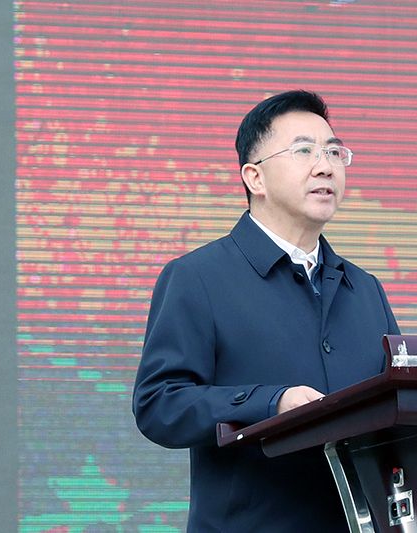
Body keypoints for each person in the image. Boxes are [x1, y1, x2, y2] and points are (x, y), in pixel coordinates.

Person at [132, 90, 400, 532]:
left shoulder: (365, 289)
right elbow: (159, 404)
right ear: (254, 178)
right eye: (304, 151)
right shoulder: (197, 277)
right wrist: (272, 403)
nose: (325, 166)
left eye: (334, 151)